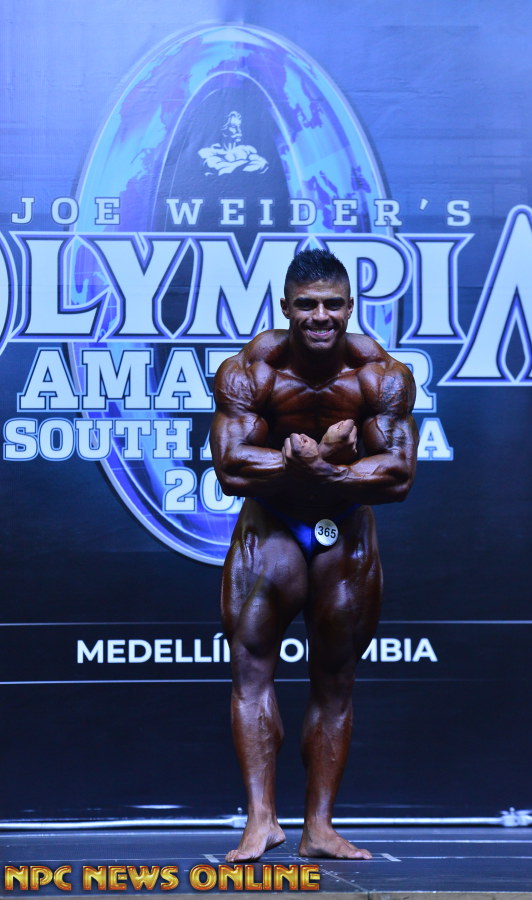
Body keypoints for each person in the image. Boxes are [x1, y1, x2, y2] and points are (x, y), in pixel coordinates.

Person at [210, 248, 418, 862]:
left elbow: (399, 476)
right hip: (271, 525)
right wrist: (313, 462)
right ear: (285, 307)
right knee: (250, 670)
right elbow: (229, 468)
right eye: (306, 305)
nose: (319, 316)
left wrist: (320, 468)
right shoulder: (250, 371)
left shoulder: (382, 377)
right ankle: (261, 822)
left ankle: (318, 827)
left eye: (331, 304)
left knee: (336, 677)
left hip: (344, 529)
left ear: (350, 307)